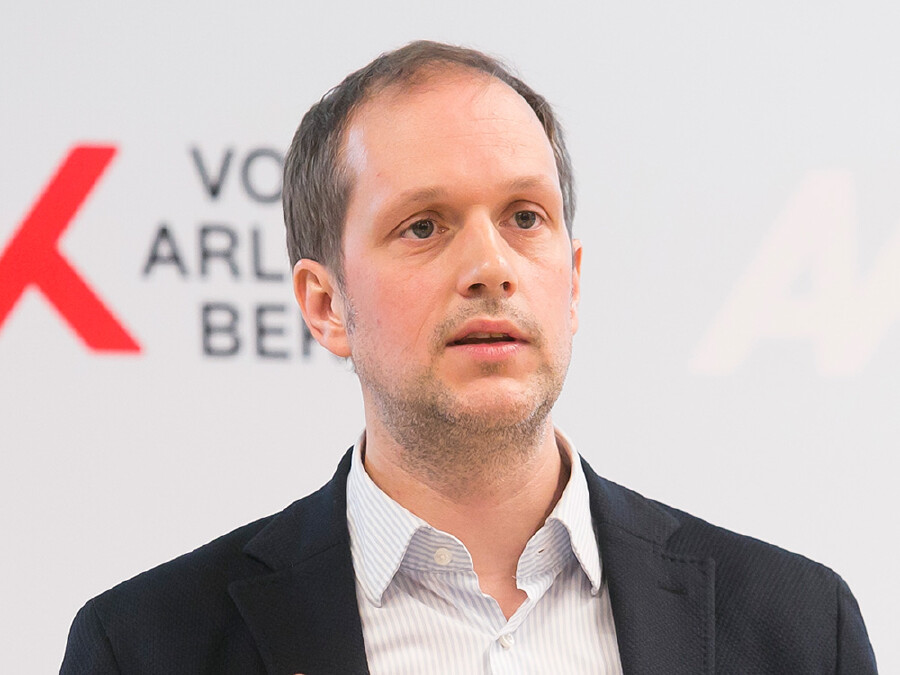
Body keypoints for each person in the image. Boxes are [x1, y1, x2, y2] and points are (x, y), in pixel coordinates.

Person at [61, 41, 877, 674]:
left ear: (574, 281)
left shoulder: (798, 629)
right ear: (324, 304)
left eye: (526, 217)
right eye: (424, 225)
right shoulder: (148, 645)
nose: (491, 266)